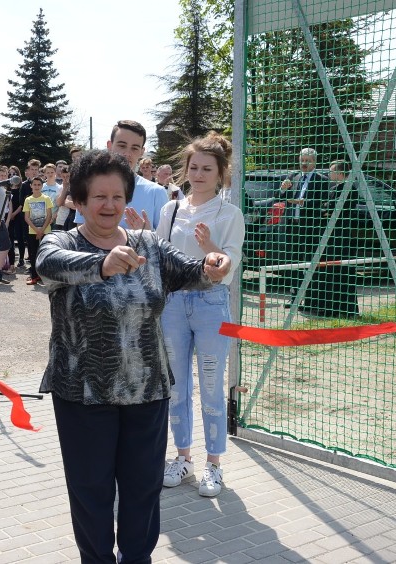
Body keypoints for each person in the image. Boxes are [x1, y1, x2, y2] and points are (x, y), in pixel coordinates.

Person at [37, 150, 232, 563]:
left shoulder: (147, 244)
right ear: (79, 199)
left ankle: (137, 557)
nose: (109, 206)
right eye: (98, 197)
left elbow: (188, 271)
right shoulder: (64, 242)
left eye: (117, 197)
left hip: (147, 389)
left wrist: (212, 266)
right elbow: (48, 264)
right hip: (84, 393)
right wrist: (102, 263)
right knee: (91, 489)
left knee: (142, 487)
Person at [155, 133, 245, 498]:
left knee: (210, 387)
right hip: (174, 304)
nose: (199, 173)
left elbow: (228, 263)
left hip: (210, 304)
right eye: (194, 167)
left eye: (207, 168)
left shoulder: (229, 213)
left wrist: (211, 249)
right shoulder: (171, 208)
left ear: (221, 173)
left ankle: (214, 465)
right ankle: (182, 457)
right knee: (176, 387)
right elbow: (159, 251)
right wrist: (141, 232)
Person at [75, 120, 169, 230]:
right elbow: (81, 236)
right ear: (109, 145)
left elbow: (164, 241)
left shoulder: (156, 193)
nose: (127, 154)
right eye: (122, 146)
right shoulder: (89, 186)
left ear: (142, 151)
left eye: (134, 148)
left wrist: (147, 236)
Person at [303, 159, 360, 318]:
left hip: (342, 237)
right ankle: (331, 306)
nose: (329, 174)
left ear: (340, 173)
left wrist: (328, 210)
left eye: (332, 171)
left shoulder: (350, 189)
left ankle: (346, 308)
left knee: (342, 271)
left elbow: (337, 210)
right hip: (331, 236)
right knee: (330, 271)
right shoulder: (335, 189)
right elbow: (326, 208)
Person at [278, 147, 332, 305]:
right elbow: (280, 196)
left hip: (310, 229)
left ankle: (309, 299)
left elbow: (324, 203)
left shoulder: (322, 180)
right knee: (293, 264)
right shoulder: (293, 177)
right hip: (293, 227)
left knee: (309, 263)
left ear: (314, 162)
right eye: (302, 160)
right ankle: (294, 298)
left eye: (308, 161)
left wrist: (304, 203)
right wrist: (283, 189)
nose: (304, 163)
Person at [22, 175, 53, 285]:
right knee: (33, 254)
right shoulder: (28, 200)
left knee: (45, 254)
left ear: (42, 186)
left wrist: (42, 230)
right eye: (34, 184)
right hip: (32, 231)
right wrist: (36, 230)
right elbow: (26, 217)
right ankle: (34, 276)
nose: (36, 186)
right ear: (31, 186)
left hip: (45, 231)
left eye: (39, 184)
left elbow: (49, 215)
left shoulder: (46, 198)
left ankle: (45, 276)